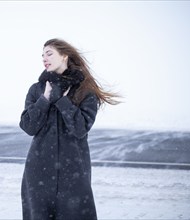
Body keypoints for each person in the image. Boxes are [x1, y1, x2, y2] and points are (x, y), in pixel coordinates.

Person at [19, 38, 119, 220]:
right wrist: (45, 99)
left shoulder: (85, 90)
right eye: (42, 55)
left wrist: (63, 101)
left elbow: (80, 128)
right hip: (38, 171)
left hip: (73, 172)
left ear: (64, 56)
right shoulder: (37, 89)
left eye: (49, 53)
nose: (44, 58)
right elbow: (28, 127)